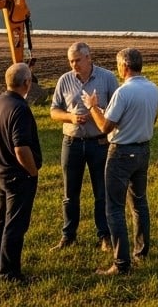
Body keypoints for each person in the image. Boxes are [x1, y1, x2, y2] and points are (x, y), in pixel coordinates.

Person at [83, 47, 158, 276]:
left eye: (118, 65)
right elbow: (152, 118)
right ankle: (141, 251)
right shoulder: (153, 89)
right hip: (143, 150)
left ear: (124, 67)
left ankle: (121, 263)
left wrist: (92, 106)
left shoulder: (123, 92)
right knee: (139, 204)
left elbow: (105, 126)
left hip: (120, 153)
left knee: (114, 208)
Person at [48, 42, 119, 253]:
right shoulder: (65, 80)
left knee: (101, 192)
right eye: (70, 61)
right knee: (70, 193)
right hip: (72, 143)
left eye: (77, 60)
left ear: (89, 57)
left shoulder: (107, 78)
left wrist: (98, 112)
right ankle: (68, 235)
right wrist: (70, 116)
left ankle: (104, 235)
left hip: (99, 143)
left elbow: (117, 110)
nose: (74, 65)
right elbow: (54, 111)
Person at [0, 62, 42, 284]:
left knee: (0, 219)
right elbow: (21, 148)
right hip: (18, 175)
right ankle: (9, 273)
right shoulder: (20, 108)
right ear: (27, 83)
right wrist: (32, 171)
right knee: (16, 224)